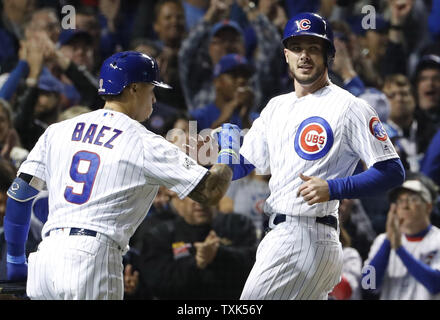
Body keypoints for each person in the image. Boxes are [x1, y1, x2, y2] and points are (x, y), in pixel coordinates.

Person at [3, 51, 235, 300]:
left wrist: (15, 259)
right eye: (151, 89)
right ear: (133, 88)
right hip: (93, 258)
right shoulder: (145, 141)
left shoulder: (57, 131)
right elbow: (211, 192)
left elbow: (20, 195)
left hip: (46, 256)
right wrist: (229, 151)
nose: (155, 98)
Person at [214, 12, 405, 300]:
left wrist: (334, 188)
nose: (304, 56)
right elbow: (241, 167)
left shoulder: (350, 107)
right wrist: (226, 148)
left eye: (313, 48)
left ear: (329, 55)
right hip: (282, 234)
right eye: (297, 48)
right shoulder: (276, 107)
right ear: (286, 55)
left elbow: (392, 171)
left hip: (304, 236)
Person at [136, 192, 257, 299]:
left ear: (217, 195)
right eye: (193, 194)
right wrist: (196, 262)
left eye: (207, 192)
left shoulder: (238, 224)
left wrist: (218, 254)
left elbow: (254, 267)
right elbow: (157, 283)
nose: (200, 201)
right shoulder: (161, 234)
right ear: (179, 198)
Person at [363, 175, 440, 299]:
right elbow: (368, 285)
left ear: (428, 207)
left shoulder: (437, 239)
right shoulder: (382, 241)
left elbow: (436, 284)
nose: (405, 206)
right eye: (400, 201)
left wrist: (399, 249)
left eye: (413, 199)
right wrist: (388, 241)